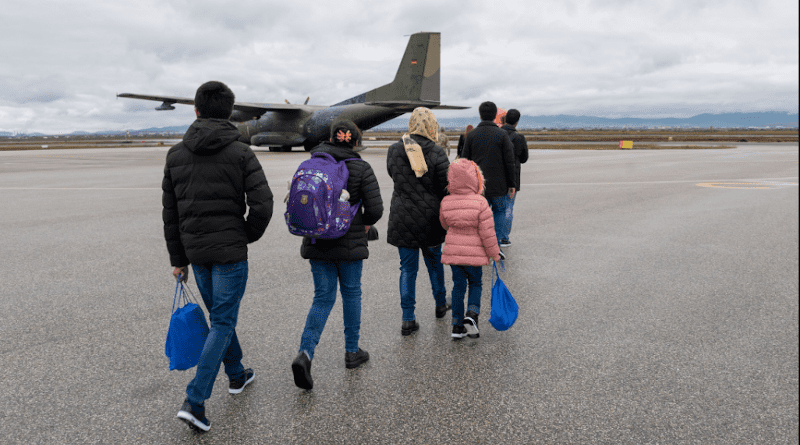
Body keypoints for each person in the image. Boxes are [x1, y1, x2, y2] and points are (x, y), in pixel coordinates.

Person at [163, 81, 274, 432]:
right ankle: (195, 399)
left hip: (197, 253)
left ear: (195, 110)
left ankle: (237, 373)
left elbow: (171, 214)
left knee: (220, 317)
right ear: (230, 112)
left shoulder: (176, 155)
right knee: (223, 321)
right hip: (229, 251)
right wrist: (245, 235)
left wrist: (178, 259)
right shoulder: (241, 152)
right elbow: (263, 203)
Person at [291, 120, 384, 390]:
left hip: (318, 241)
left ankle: (305, 353)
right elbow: (376, 209)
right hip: (350, 241)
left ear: (331, 139)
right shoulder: (361, 167)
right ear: (355, 141)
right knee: (352, 293)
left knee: (322, 298)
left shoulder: (314, 163)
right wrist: (363, 223)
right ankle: (352, 352)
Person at [386, 107, 451, 336]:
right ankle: (441, 304)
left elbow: (392, 175)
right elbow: (446, 186)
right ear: (431, 125)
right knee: (435, 264)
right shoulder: (437, 152)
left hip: (402, 218)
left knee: (407, 270)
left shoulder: (395, 149)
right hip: (430, 219)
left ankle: (407, 318)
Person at [439, 159, 501, 339]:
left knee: (458, 286)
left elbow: (444, 224)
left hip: (454, 254)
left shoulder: (446, 201)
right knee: (475, 283)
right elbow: (488, 233)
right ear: (476, 179)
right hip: (474, 255)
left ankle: (457, 326)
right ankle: (472, 315)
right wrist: (494, 254)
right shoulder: (481, 203)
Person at [461, 101, 516, 259]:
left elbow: (464, 162)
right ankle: (496, 246)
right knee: (499, 212)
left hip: (477, 186)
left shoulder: (471, 135)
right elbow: (509, 161)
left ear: (480, 115)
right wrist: (512, 183)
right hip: (499, 185)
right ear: (495, 116)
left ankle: (480, 245)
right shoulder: (502, 135)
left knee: (479, 216)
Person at [499, 109, 529, 247]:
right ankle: (504, 238)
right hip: (513, 177)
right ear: (517, 121)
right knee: (508, 207)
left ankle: (493, 236)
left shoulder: (497, 134)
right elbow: (524, 158)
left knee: (495, 207)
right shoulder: (519, 137)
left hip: (497, 176)